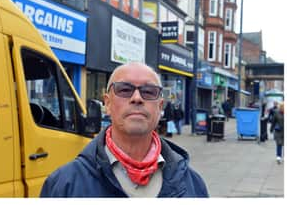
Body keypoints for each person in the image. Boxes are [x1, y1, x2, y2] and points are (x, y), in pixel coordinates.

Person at [41, 62, 208, 197]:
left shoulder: (193, 185)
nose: (137, 98)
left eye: (148, 92)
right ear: (107, 103)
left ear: (160, 107)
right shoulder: (64, 186)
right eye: (124, 90)